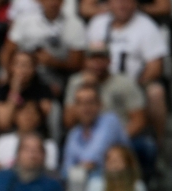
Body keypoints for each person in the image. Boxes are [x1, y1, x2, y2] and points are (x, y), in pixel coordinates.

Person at [63, 42, 153, 178]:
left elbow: (139, 119)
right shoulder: (76, 83)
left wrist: (118, 137)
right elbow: (69, 121)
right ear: (86, 62)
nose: (97, 64)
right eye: (93, 59)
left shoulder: (124, 84)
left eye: (101, 59)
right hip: (87, 132)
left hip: (121, 137)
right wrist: (88, 84)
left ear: (109, 60)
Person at [86, 0, 168, 145]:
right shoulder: (98, 23)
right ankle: (85, 141)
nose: (122, 5)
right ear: (109, 3)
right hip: (102, 80)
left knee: (156, 92)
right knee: (81, 89)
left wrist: (135, 85)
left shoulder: (147, 26)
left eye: (127, 1)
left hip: (135, 83)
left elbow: (156, 66)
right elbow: (87, 59)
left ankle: (159, 143)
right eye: (117, 1)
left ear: (135, 3)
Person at [1, 0, 87, 94]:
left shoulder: (75, 24)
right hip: (26, 73)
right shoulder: (25, 20)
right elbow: (7, 52)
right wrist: (8, 74)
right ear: (40, 1)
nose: (53, 3)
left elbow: (78, 63)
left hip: (57, 75)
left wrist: (53, 62)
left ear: (63, 2)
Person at [62, 84, 129, 176]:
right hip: (84, 182)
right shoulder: (74, 133)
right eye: (80, 103)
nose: (85, 107)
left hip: (118, 179)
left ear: (100, 105)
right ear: (75, 108)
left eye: (90, 102)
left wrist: (77, 169)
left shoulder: (110, 121)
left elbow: (93, 157)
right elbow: (66, 169)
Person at [0, 100, 59, 174]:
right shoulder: (2, 141)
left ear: (39, 118)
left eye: (33, 113)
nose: (28, 117)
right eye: (24, 113)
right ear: (15, 117)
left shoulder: (49, 145)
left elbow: (50, 173)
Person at [0, 50, 54, 134]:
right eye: (18, 64)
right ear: (10, 67)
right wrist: (15, 91)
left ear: (34, 68)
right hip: (9, 134)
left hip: (36, 133)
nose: (22, 69)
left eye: (27, 65)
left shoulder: (42, 89)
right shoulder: (2, 90)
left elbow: (43, 117)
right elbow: (3, 123)